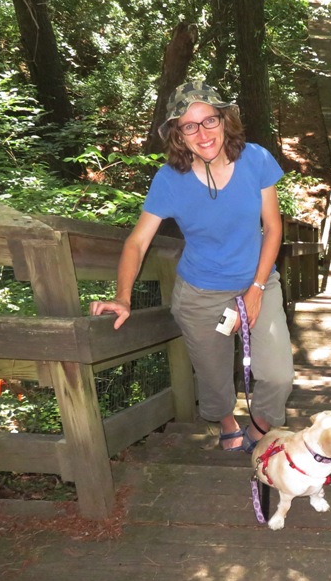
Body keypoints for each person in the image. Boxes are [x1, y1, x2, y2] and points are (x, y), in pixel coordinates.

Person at [90, 79, 294, 453]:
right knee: (214, 378)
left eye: (209, 120)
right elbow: (137, 241)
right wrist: (123, 296)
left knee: (278, 376)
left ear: (224, 120)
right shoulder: (170, 180)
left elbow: (274, 226)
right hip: (200, 293)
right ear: (178, 135)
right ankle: (228, 422)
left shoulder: (257, 159)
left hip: (259, 282)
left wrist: (257, 288)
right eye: (189, 125)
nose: (202, 133)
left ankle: (261, 425)